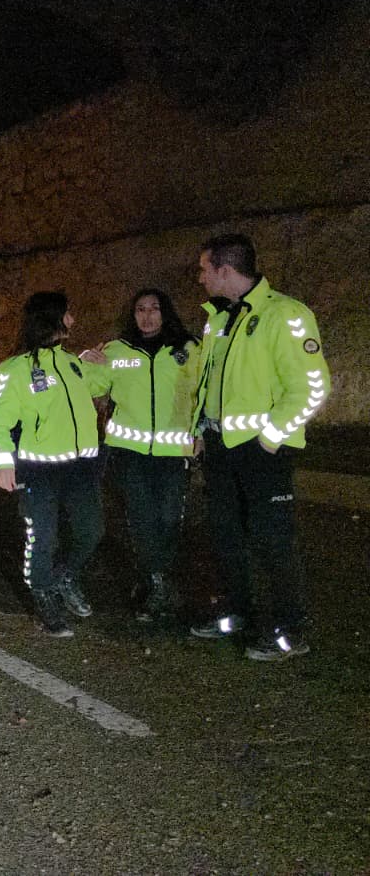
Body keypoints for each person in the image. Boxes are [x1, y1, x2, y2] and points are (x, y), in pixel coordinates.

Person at [189, 234, 330, 661]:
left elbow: (311, 387)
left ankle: (290, 631)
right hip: (220, 447)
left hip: (260, 452)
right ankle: (237, 613)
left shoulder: (286, 315)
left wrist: (269, 438)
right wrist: (199, 429)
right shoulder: (218, 319)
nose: (199, 278)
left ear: (224, 271)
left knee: (273, 542)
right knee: (227, 537)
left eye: (203, 270)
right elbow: (207, 380)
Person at [0, 291, 110, 637]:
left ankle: (66, 575)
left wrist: (101, 363)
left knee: (91, 530)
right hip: (40, 469)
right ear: (52, 318)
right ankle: (44, 594)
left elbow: (98, 385)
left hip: (81, 467)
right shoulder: (15, 370)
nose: (73, 320)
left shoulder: (72, 363)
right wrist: (3, 462)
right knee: (43, 538)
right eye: (68, 314)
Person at [80, 289, 200, 621]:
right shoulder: (117, 350)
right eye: (140, 309)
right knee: (143, 519)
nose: (147, 316)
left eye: (154, 309)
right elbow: (93, 387)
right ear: (132, 315)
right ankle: (158, 585)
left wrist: (200, 431)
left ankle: (152, 578)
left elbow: (201, 393)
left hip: (173, 452)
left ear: (166, 312)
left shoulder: (188, 350)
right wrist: (87, 362)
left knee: (168, 519)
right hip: (129, 453)